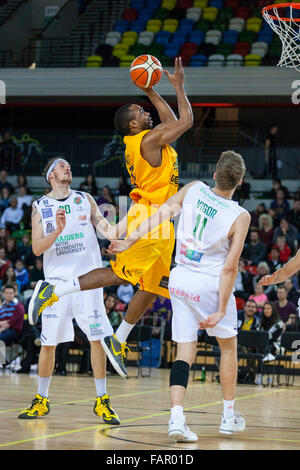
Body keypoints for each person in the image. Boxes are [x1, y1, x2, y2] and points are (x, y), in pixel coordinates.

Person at [28, 57, 193, 379]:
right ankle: (54, 291)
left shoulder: (149, 136)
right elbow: (185, 121)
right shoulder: (146, 140)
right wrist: (178, 87)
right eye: (141, 112)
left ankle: (118, 339)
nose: (147, 113)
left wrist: (151, 91)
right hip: (149, 214)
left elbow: (170, 120)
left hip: (162, 217)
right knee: (121, 273)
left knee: (153, 284)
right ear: (133, 125)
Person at [108, 150, 250, 440]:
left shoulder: (194, 188)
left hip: (181, 279)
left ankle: (176, 418)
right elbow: (231, 267)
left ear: (214, 174)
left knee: (185, 352)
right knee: (228, 347)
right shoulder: (240, 215)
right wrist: (222, 308)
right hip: (210, 284)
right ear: (240, 181)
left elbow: (160, 214)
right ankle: (227, 417)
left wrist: (129, 240)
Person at [18, 158, 120, 425]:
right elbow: (37, 248)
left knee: (96, 338)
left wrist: (123, 238)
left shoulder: (86, 198)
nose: (68, 168)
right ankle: (41, 399)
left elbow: (107, 228)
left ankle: (102, 401)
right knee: (49, 343)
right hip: (57, 284)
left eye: (68, 165)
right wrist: (58, 232)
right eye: (62, 166)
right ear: (51, 175)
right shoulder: (40, 206)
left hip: (88, 280)